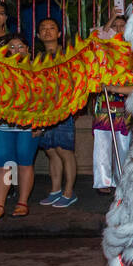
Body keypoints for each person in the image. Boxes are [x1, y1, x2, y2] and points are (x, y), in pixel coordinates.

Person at [0, 34, 36, 218]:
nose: (16, 50)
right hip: (4, 125)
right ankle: (0, 205)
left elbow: (43, 99)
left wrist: (40, 124)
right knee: (4, 163)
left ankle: (22, 203)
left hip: (29, 125)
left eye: (21, 47)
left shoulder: (37, 70)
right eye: (12, 47)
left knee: (25, 163)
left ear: (28, 50)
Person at [34, 17, 79, 207]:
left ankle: (69, 193)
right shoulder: (37, 58)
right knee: (51, 151)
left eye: (52, 28)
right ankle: (55, 190)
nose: (47, 31)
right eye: (43, 28)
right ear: (38, 35)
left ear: (59, 33)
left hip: (62, 110)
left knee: (64, 151)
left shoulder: (67, 55)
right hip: (44, 111)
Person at [91, 82, 133, 197]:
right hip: (103, 106)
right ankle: (103, 181)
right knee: (102, 146)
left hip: (124, 110)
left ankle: (122, 180)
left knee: (123, 147)